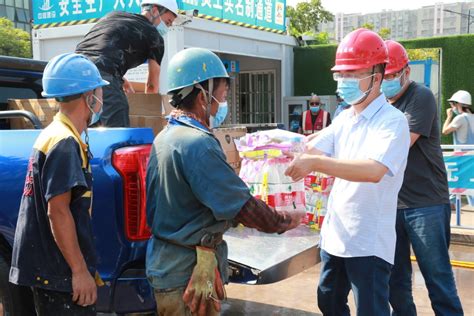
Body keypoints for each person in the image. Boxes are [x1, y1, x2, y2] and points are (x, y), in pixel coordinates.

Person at [145, 47, 304, 316]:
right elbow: (242, 207)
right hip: (185, 271)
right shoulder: (197, 144)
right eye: (222, 94)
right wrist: (285, 220)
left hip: (170, 262)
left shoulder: (167, 136)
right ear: (202, 94)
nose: (224, 101)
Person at [285, 29, 410, 316]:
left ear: (377, 77)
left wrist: (314, 164)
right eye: (341, 75)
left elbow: (373, 170)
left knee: (371, 310)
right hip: (336, 237)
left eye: (352, 74)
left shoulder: (393, 122)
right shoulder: (344, 117)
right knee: (328, 302)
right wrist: (269, 148)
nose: (344, 82)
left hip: (368, 242)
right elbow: (312, 146)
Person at [9, 53, 108, 315]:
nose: (102, 96)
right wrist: (79, 271)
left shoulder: (58, 134)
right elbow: (58, 211)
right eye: (99, 89)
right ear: (89, 95)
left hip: (52, 270)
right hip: (59, 274)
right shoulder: (64, 142)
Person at [381, 40, 463, 316]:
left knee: (437, 278)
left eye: (391, 76)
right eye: (382, 76)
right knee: (395, 281)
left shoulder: (420, 96)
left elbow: (400, 143)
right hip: (391, 205)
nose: (386, 81)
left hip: (426, 204)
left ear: (406, 72)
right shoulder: (379, 104)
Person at [75, 0, 178, 127]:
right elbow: (152, 85)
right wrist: (148, 113)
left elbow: (98, 52)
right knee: (117, 131)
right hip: (102, 78)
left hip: (73, 70)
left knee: (84, 127)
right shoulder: (154, 36)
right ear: (155, 10)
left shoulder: (114, 15)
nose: (166, 28)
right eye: (167, 22)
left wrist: (121, 79)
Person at [442, 90, 474, 206]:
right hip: (471, 156)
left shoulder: (460, 118)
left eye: (452, 104)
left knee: (456, 180)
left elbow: (445, 131)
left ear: (458, 104)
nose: (452, 107)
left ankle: (451, 202)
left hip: (461, 157)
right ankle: (452, 201)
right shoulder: (472, 117)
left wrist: (449, 116)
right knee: (469, 184)